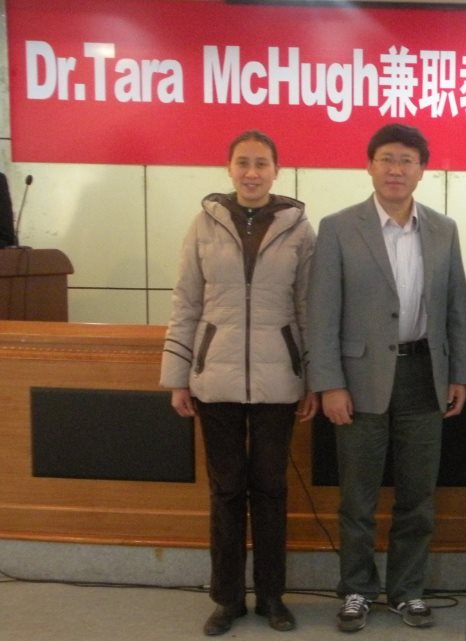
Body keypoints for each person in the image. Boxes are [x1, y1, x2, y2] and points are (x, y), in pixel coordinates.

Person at [306, 123, 466, 633]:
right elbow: (321, 313)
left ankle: (407, 591)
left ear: (422, 170)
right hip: (358, 381)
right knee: (357, 497)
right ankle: (357, 589)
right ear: (369, 165)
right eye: (387, 159)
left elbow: (454, 309)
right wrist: (329, 383)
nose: (396, 169)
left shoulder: (443, 229)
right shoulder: (339, 227)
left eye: (407, 160)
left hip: (424, 373)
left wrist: (459, 373)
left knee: (417, 497)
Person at [159, 130, 317, 636]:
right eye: (243, 163)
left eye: (261, 164)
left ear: (276, 170)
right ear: (229, 168)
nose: (252, 173)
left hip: (278, 381)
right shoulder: (204, 224)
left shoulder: (299, 228)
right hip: (216, 381)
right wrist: (178, 376)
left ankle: (272, 597)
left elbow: (309, 308)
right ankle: (227, 599)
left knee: (270, 489)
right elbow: (186, 303)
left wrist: (313, 379)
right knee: (226, 491)